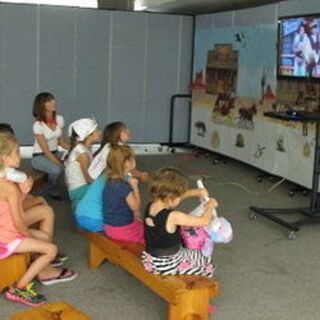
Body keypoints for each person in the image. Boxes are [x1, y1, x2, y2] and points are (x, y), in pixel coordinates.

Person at [0, 133, 77, 307]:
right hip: (8, 239)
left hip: (4, 232)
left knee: (44, 237)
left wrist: (22, 193)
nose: (20, 155)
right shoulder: (8, 187)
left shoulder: (4, 182)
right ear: (5, 158)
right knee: (50, 249)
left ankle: (41, 264)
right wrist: (23, 194)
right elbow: (18, 221)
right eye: (17, 152)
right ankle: (19, 288)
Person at [142, 167, 217, 276]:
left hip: (152, 258)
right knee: (204, 257)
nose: (181, 197)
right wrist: (210, 206)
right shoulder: (174, 216)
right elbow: (204, 221)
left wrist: (194, 192)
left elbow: (174, 198)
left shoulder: (151, 205)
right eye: (179, 195)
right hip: (168, 262)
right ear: (171, 197)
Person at [31, 92, 70, 200]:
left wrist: (74, 150)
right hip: (40, 156)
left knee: (72, 161)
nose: (53, 102)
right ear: (41, 105)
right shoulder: (38, 125)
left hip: (55, 152)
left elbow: (61, 141)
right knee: (57, 169)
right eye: (48, 101)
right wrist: (60, 164)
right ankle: (53, 191)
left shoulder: (59, 119)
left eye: (53, 99)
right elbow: (46, 151)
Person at [103, 144, 144, 244]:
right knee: (151, 234)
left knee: (141, 223)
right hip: (123, 231)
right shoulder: (124, 186)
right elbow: (136, 207)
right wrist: (135, 188)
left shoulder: (109, 181)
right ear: (127, 163)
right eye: (132, 158)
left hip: (109, 228)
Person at [64, 118, 101, 202]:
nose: (99, 132)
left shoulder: (84, 148)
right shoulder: (82, 153)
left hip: (80, 188)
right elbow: (89, 179)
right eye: (96, 130)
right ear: (88, 135)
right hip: (79, 190)